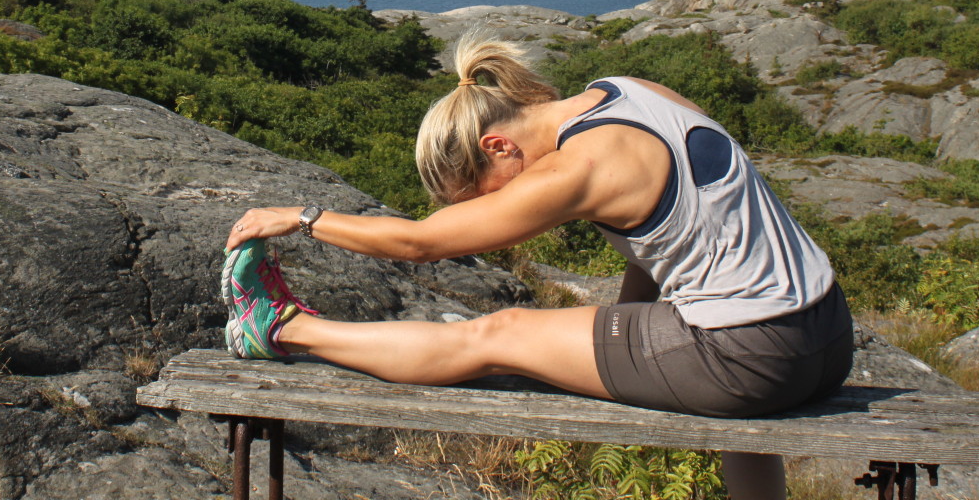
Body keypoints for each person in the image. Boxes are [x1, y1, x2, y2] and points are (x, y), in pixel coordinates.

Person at [222, 33, 853, 500]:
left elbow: (420, 243)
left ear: (498, 146)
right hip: (826, 334)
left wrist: (302, 216)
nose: (494, 209)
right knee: (729, 410)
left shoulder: (578, 168)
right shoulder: (627, 91)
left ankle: (280, 328)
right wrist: (627, 336)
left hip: (751, 356)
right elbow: (666, 238)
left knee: (499, 334)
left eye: (482, 194)